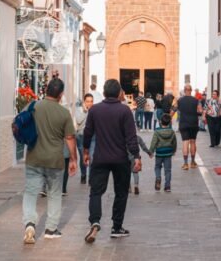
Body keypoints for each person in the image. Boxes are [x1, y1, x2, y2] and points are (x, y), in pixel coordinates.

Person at [83, 79, 141, 243]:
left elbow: (88, 133)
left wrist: (86, 151)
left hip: (100, 157)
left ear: (104, 91)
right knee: (121, 193)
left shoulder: (95, 110)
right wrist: (136, 156)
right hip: (120, 158)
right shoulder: (125, 111)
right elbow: (131, 137)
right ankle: (116, 227)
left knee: (95, 191)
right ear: (119, 93)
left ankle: (95, 221)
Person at [23, 78, 77, 244]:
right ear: (61, 94)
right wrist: (74, 159)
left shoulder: (33, 107)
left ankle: (30, 224)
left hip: (34, 157)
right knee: (54, 194)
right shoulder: (63, 113)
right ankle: (50, 229)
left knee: (31, 192)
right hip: (55, 160)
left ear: (46, 90)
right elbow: (69, 138)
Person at [149, 113, 177, 192]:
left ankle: (158, 178)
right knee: (168, 170)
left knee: (157, 167)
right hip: (168, 153)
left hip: (159, 153)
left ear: (160, 122)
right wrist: (174, 150)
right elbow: (174, 142)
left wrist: (151, 151)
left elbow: (153, 142)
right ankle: (167, 187)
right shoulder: (172, 131)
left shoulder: (157, 131)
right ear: (169, 122)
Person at [176, 85, 202, 170]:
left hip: (183, 124)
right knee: (193, 142)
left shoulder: (179, 100)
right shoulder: (196, 100)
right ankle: (193, 162)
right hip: (194, 124)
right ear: (191, 90)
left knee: (185, 142)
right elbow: (200, 111)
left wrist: (167, 119)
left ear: (184, 90)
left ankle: (185, 164)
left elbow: (173, 109)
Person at [75, 94, 95, 184]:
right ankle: (83, 175)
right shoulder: (79, 110)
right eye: (88, 101)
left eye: (91, 101)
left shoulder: (95, 111)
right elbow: (79, 121)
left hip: (93, 136)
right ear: (84, 102)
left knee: (91, 157)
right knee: (83, 157)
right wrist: (85, 111)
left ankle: (91, 178)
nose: (90, 103)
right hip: (81, 136)